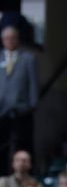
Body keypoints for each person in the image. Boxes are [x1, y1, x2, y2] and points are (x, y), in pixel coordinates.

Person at [0, 26, 39, 157]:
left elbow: (33, 83)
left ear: (17, 39)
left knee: (23, 145)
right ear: (2, 40)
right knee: (2, 146)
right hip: (1, 111)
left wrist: (32, 105)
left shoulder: (28, 58)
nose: (9, 41)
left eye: (12, 38)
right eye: (6, 38)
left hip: (22, 110)